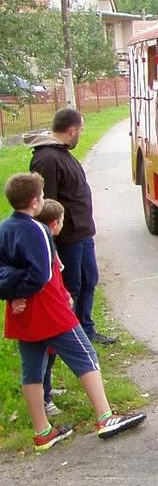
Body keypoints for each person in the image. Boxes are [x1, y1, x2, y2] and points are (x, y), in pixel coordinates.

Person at [0, 173, 145, 450]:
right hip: (49, 310)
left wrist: (13, 293)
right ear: (35, 201)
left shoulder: (4, 228)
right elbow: (41, 274)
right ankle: (105, 416)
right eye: (42, 197)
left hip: (22, 313)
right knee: (85, 355)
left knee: (31, 370)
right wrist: (24, 289)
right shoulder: (37, 230)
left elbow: (3, 271)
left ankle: (42, 431)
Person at [28, 108, 116, 346]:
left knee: (89, 280)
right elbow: (45, 205)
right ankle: (66, 336)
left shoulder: (62, 153)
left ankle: (85, 329)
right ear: (72, 129)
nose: (81, 134)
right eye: (81, 129)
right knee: (71, 286)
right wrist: (50, 243)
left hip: (82, 233)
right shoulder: (47, 158)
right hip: (67, 238)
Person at [35, 199, 65, 417]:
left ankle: (48, 389)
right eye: (62, 220)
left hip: (57, 305)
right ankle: (45, 400)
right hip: (49, 312)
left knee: (50, 356)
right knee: (43, 358)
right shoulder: (45, 247)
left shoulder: (49, 244)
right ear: (55, 224)